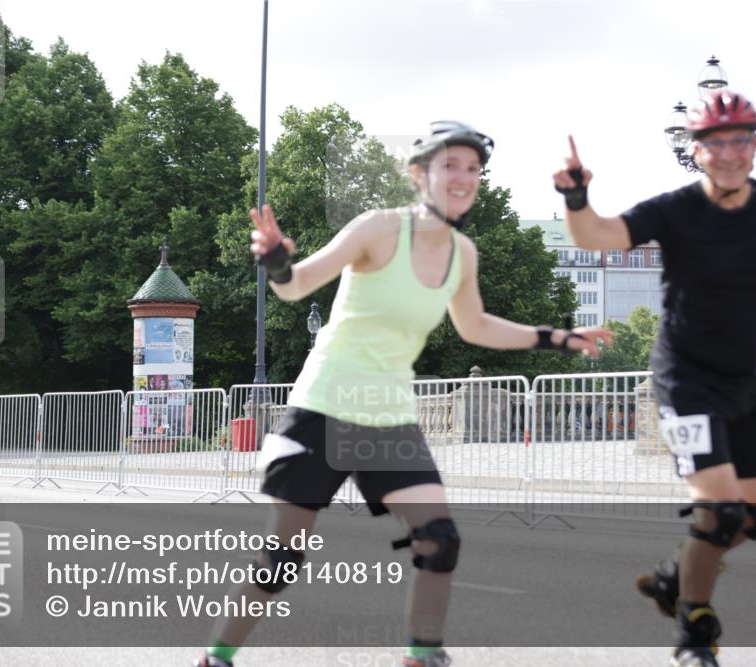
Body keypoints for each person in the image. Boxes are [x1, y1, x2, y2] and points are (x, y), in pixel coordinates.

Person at [194, 121, 613, 667]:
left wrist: (558, 338)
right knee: (282, 561)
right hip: (324, 408)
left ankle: (421, 655)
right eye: (450, 166)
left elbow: (476, 326)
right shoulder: (379, 229)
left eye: (473, 169)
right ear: (420, 175)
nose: (464, 178)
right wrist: (275, 259)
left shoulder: (464, 253)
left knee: (439, 539)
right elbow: (296, 285)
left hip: (389, 418)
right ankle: (217, 656)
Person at [552, 89, 756, 667]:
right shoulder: (673, 209)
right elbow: (596, 236)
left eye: (740, 140)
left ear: (755, 146)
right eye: (715, 144)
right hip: (685, 380)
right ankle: (693, 634)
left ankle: (675, 577)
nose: (729, 153)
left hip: (745, 380)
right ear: (697, 152)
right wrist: (575, 196)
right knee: (723, 513)